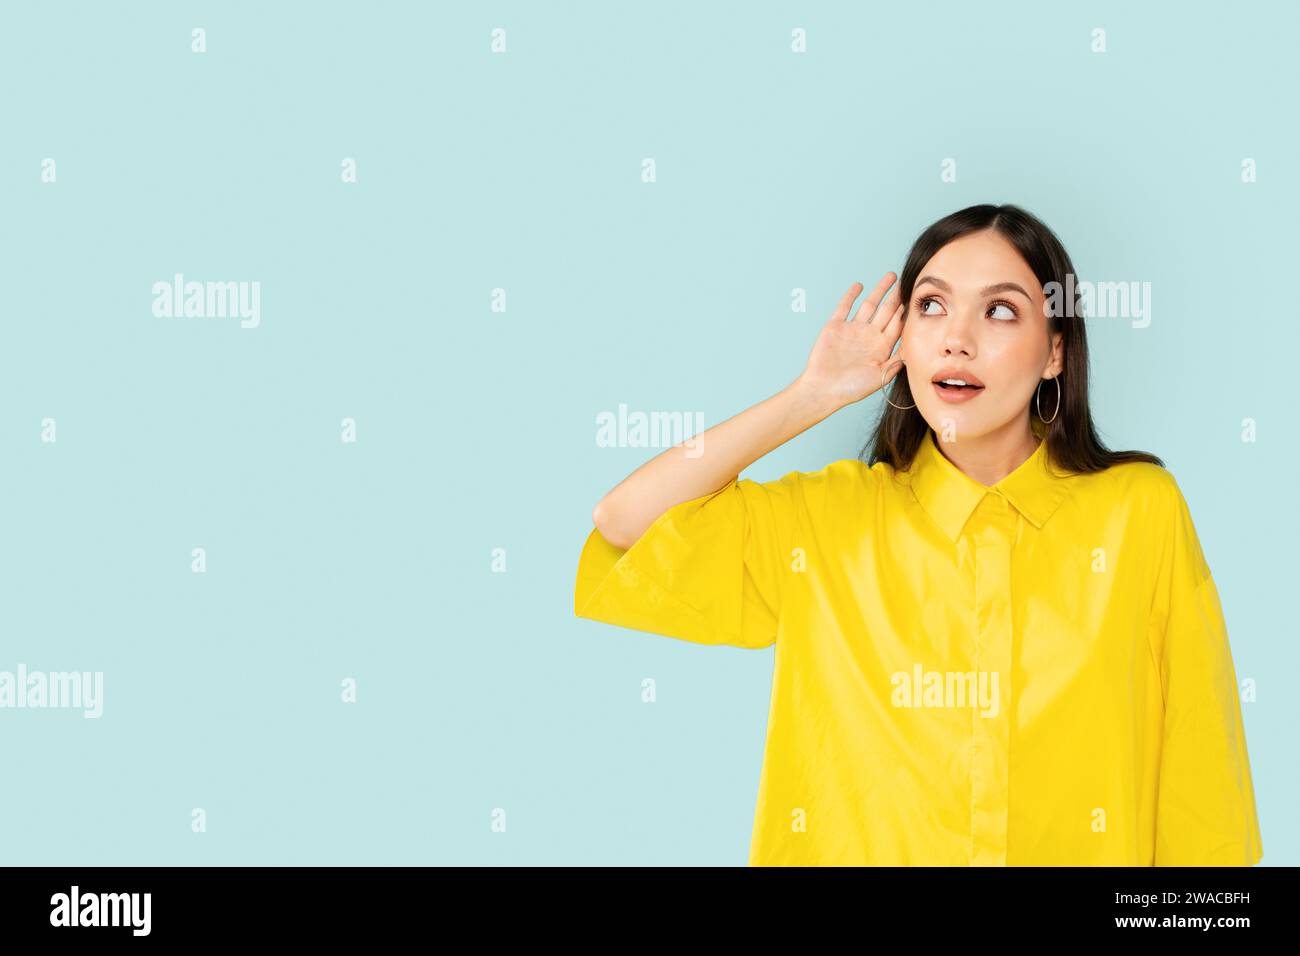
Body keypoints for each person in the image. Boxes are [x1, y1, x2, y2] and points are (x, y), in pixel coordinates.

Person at [573, 203, 1263, 867]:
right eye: (931, 306)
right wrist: (809, 396)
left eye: (999, 311)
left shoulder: (1139, 511)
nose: (956, 338)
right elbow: (623, 520)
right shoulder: (826, 520)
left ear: (1056, 352)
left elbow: (1203, 771)